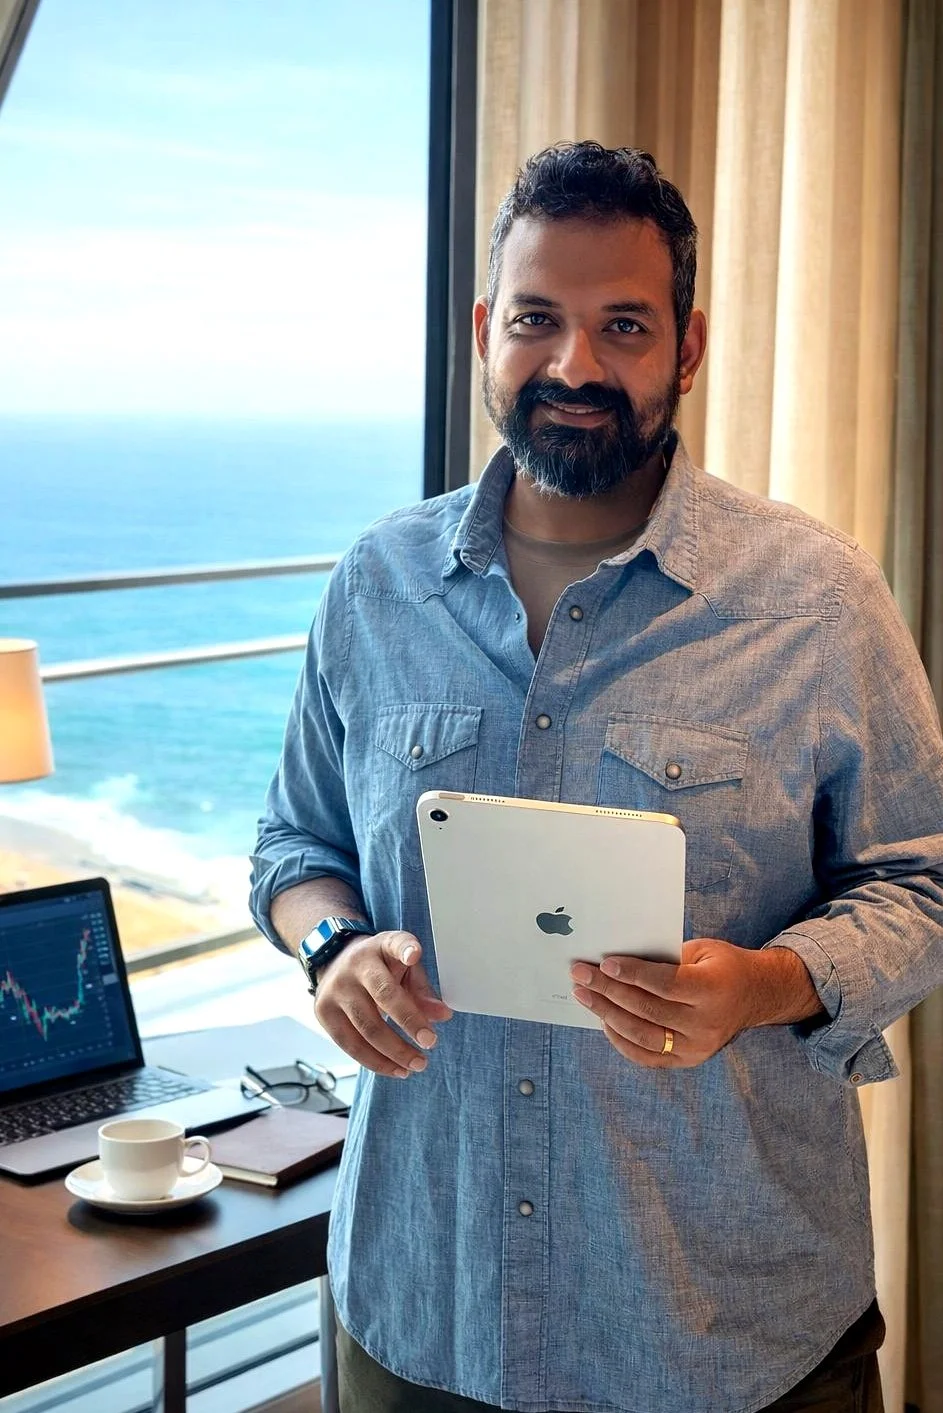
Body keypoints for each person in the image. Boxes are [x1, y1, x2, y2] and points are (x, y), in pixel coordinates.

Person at [250, 143, 943, 1413]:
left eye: (620, 325)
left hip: (723, 1332)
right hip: (425, 1309)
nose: (573, 365)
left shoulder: (814, 598)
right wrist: (333, 948)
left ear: (683, 347)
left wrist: (768, 986)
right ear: (484, 331)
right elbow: (294, 847)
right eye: (537, 320)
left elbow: (922, 882)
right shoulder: (375, 584)